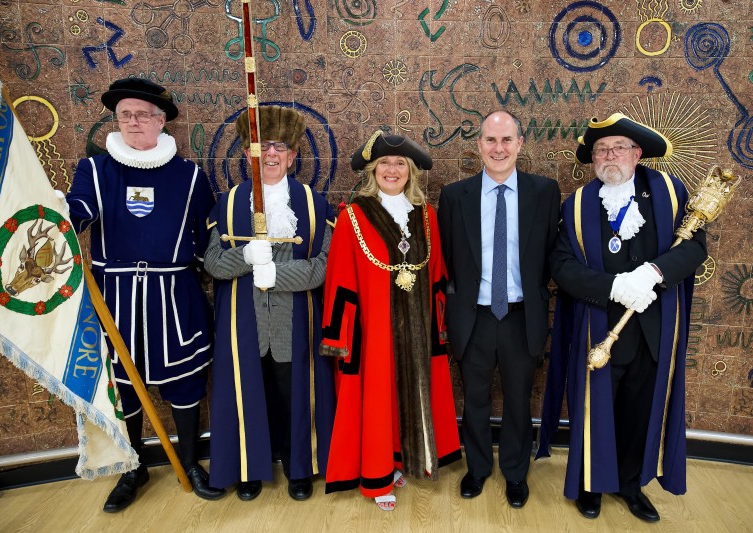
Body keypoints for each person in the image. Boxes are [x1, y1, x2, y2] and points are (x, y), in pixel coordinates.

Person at [66, 78, 224, 512]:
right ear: (116, 121)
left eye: (143, 114)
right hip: (116, 297)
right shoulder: (95, 171)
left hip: (175, 295)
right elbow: (73, 214)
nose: (134, 122)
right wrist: (50, 214)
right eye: (125, 115)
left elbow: (205, 237)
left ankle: (190, 463)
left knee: (186, 380)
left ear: (161, 121)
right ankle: (132, 469)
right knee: (124, 386)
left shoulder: (190, 176)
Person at [539, 113, 707, 522]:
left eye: (618, 148)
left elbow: (694, 247)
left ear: (637, 154)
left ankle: (631, 485)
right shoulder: (576, 205)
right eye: (601, 150)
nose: (609, 155)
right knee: (594, 408)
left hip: (654, 328)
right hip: (599, 329)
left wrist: (654, 272)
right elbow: (561, 265)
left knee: (641, 408)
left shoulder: (669, 192)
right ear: (592, 158)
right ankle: (591, 485)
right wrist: (612, 287)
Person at [321, 132, 461, 511]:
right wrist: (341, 338)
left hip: (419, 329)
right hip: (374, 333)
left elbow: (437, 277)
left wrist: (439, 330)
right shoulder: (353, 217)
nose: (392, 169)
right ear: (372, 170)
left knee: (413, 391)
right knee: (378, 400)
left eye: (401, 164)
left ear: (411, 172)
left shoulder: (427, 216)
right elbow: (340, 280)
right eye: (384, 163)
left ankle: (405, 459)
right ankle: (378, 475)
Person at [204, 105, 336, 502]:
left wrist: (277, 276)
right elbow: (211, 263)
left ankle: (300, 467)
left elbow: (323, 267)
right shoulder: (227, 204)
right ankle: (248, 467)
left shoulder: (315, 205)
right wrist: (243, 259)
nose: (270, 155)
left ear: (293, 156)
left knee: (295, 392)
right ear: (247, 154)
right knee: (248, 391)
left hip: (295, 322)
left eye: (279, 147)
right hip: (243, 322)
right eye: (260, 147)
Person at [437, 110, 560, 508]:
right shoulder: (456, 196)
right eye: (490, 140)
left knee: (519, 399)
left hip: (522, 316)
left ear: (520, 144)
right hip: (474, 316)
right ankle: (477, 468)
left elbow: (547, 255)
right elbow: (448, 259)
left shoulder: (544, 192)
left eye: (507, 140)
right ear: (479, 146)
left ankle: (514, 472)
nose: (499, 148)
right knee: (473, 398)